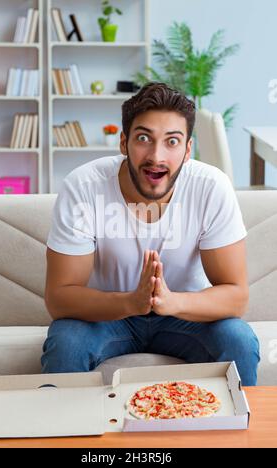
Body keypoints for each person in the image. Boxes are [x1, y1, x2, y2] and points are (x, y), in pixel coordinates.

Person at [42, 82, 260, 386]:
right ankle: (60, 430)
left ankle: (236, 432)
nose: (156, 156)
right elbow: (60, 298)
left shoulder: (211, 187)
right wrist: (131, 302)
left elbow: (236, 297)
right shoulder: (84, 186)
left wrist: (172, 302)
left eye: (172, 142)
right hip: (108, 315)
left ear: (187, 150)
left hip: (185, 314)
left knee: (238, 338)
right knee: (67, 341)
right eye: (144, 138)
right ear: (123, 143)